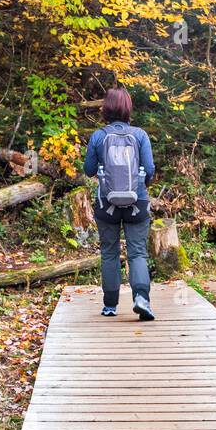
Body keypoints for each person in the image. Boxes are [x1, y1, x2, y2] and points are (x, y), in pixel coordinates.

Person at [83, 86, 155, 319]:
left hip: (107, 204)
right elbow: (150, 170)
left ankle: (110, 305)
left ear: (106, 108)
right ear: (127, 108)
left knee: (109, 252)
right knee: (137, 253)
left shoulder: (98, 136)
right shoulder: (140, 135)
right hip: (137, 202)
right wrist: (141, 184)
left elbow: (89, 170)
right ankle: (141, 299)